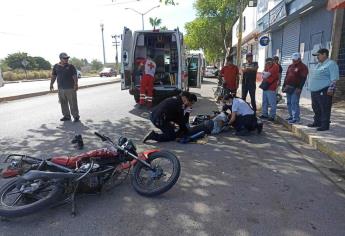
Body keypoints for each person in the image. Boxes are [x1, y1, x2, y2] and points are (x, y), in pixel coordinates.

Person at [307, 48, 339, 131]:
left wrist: (331, 89)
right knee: (316, 107)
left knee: (324, 108)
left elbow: (334, 78)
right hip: (314, 91)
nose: (317, 57)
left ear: (324, 54)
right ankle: (317, 122)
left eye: (318, 55)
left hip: (324, 90)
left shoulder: (331, 64)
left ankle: (325, 125)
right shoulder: (319, 64)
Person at [50, 52, 80, 122]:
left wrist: (76, 84)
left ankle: (76, 116)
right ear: (60, 59)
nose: (66, 59)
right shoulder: (56, 66)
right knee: (63, 103)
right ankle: (66, 116)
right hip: (61, 89)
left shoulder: (71, 66)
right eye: (65, 58)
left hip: (70, 88)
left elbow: (75, 76)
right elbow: (54, 76)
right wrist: (51, 84)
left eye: (67, 58)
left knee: (73, 103)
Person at [282, 52, 309, 124]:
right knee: (289, 102)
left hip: (296, 88)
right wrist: (284, 85)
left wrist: (299, 88)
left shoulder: (303, 67)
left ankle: (296, 118)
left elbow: (303, 78)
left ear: (299, 59)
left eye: (295, 60)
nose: (293, 61)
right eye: (293, 60)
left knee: (294, 102)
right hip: (288, 87)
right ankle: (291, 116)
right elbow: (287, 76)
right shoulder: (290, 66)